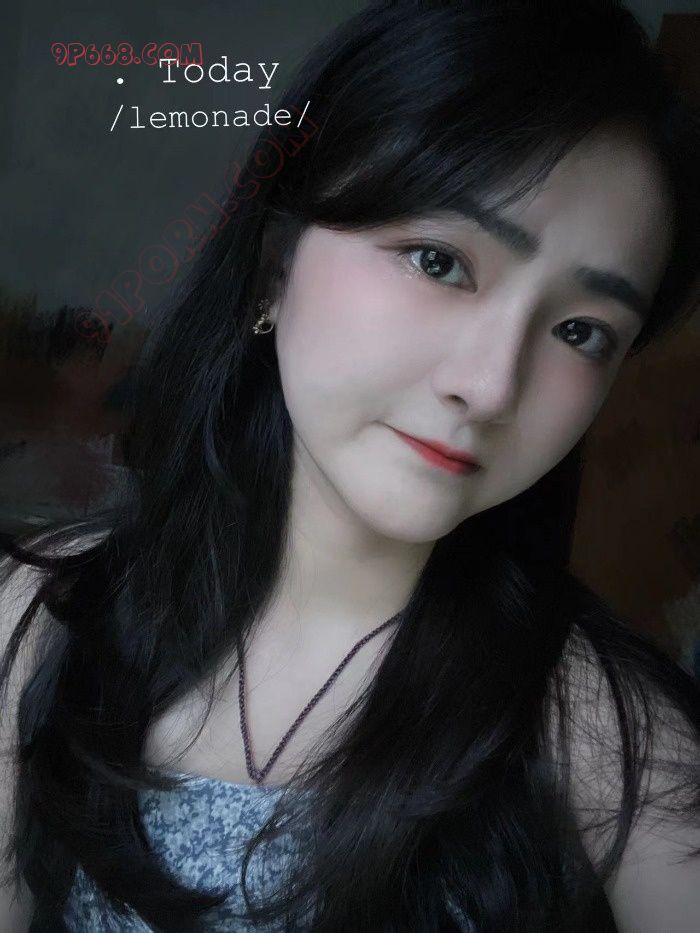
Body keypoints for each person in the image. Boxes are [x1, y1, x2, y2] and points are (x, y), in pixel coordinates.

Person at [1, 1, 699, 929]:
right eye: (438, 260)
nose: (491, 386)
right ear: (274, 268)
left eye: (581, 331)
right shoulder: (38, 620)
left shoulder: (607, 736)